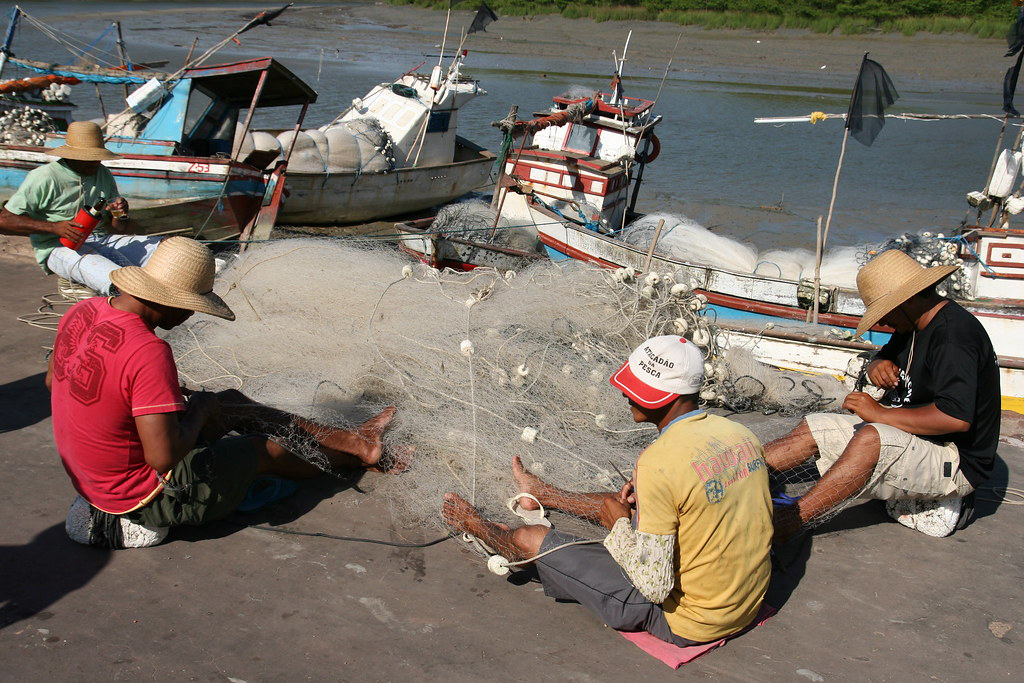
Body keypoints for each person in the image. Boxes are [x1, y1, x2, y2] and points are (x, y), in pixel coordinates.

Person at [47, 236, 407, 548]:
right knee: (265, 450)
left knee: (234, 403)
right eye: (191, 305)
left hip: (92, 471)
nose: (190, 315)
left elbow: (54, 380)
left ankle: (360, 444)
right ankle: (355, 457)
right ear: (169, 300)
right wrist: (201, 409)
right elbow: (162, 458)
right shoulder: (147, 350)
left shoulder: (84, 311)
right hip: (143, 495)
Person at [443, 335, 773, 646]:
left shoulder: (658, 464)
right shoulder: (738, 433)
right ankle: (542, 492)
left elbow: (654, 586)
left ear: (670, 397)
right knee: (623, 501)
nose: (626, 395)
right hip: (744, 604)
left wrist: (617, 524)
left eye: (637, 389)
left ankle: (475, 524)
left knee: (530, 539)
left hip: (685, 621)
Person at [766, 249, 1000, 540]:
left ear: (909, 299)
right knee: (813, 427)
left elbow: (955, 418)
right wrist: (878, 363)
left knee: (870, 438)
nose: (883, 322)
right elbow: (886, 354)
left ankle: (791, 520)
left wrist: (880, 414)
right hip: (913, 437)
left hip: (954, 460)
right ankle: (739, 476)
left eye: (884, 311)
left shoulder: (954, 336)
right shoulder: (912, 323)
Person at [0, 121, 162, 295]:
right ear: (71, 155)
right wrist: (54, 227)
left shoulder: (102, 173)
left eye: (97, 157)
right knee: (120, 281)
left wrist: (119, 213)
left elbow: (117, 228)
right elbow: (4, 221)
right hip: (58, 247)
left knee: (167, 250)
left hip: (101, 239)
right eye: (88, 157)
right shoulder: (45, 177)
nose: (95, 162)